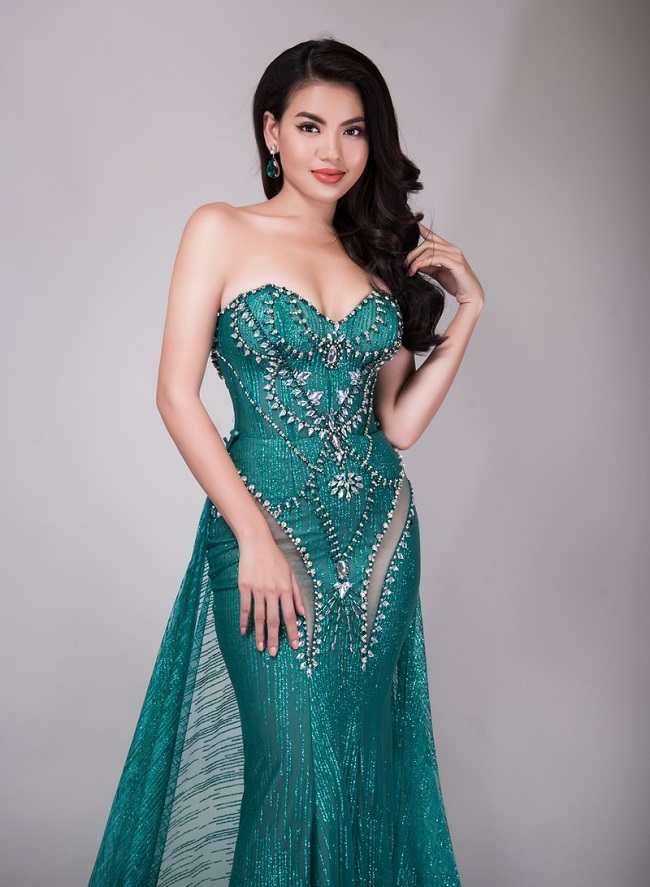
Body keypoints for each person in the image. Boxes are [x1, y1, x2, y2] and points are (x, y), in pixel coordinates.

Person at [89, 36, 483, 886]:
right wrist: (252, 536)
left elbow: (398, 424)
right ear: (271, 132)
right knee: (292, 770)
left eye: (353, 129)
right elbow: (176, 394)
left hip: (380, 539)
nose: (332, 150)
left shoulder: (378, 254)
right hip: (263, 527)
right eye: (310, 126)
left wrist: (469, 316)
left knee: (362, 770)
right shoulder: (220, 229)